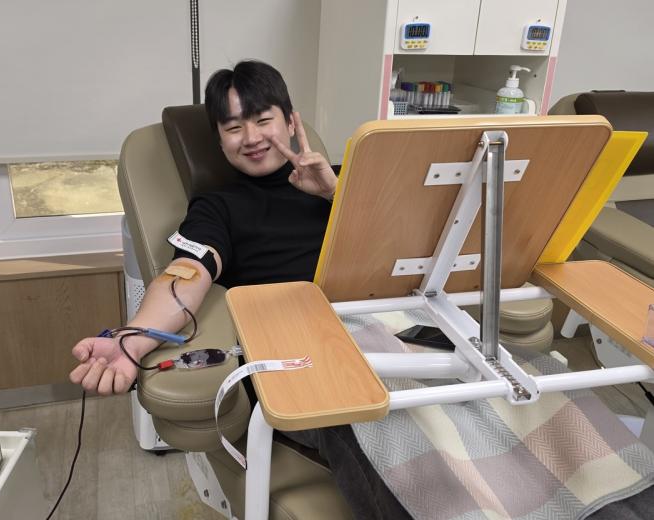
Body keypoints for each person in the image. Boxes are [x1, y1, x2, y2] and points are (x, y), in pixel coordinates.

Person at [70, 60, 654, 520]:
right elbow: (186, 274)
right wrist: (131, 339)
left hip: (404, 321)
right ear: (219, 141)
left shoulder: (354, 180)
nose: (251, 137)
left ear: (291, 121)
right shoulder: (218, 205)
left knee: (528, 394)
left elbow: (422, 255)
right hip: (309, 343)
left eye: (262, 119)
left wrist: (335, 193)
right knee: (400, 420)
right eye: (232, 126)